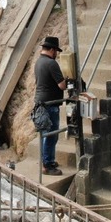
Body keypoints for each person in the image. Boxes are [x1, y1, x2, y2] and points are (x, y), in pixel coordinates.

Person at [34, 36, 67, 176]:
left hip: (40, 104)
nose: (56, 54)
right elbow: (62, 85)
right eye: (56, 51)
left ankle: (47, 161)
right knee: (51, 135)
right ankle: (48, 165)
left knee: (45, 134)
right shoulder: (51, 64)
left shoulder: (38, 62)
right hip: (50, 105)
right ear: (52, 50)